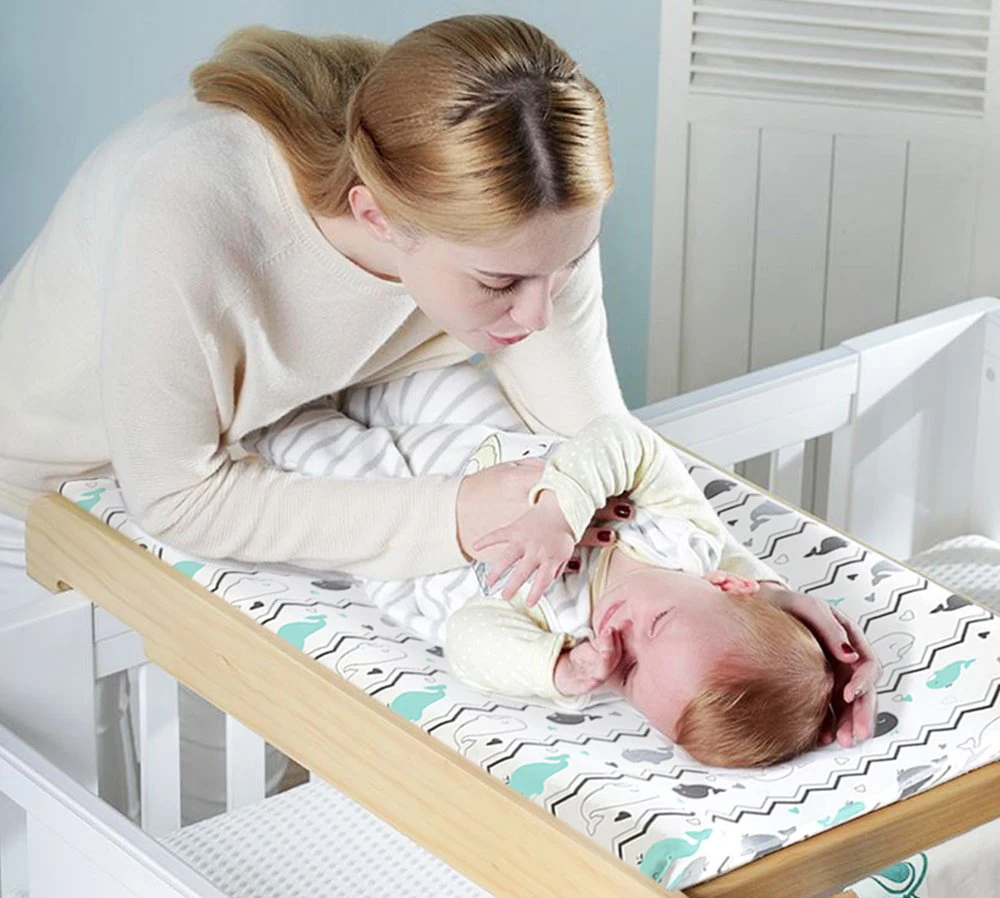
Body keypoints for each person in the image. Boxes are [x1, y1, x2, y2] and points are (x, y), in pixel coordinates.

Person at [0, 16, 876, 747]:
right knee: (67, 778)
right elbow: (177, 497)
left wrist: (761, 608)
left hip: (277, 433)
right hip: (47, 489)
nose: (538, 314)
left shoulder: (525, 208)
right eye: (501, 283)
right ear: (377, 216)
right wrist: (457, 515)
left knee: (236, 750)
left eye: (567, 266)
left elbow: (595, 434)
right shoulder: (194, 214)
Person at [261, 362, 836, 766]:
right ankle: (342, 376)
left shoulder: (567, 627)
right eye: (657, 624)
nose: (621, 635)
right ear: (728, 584)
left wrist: (556, 669)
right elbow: (626, 441)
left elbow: (469, 637)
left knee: (315, 450)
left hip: (416, 537)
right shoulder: (685, 537)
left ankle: (272, 409)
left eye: (631, 673)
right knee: (446, 381)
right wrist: (559, 513)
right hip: (480, 444)